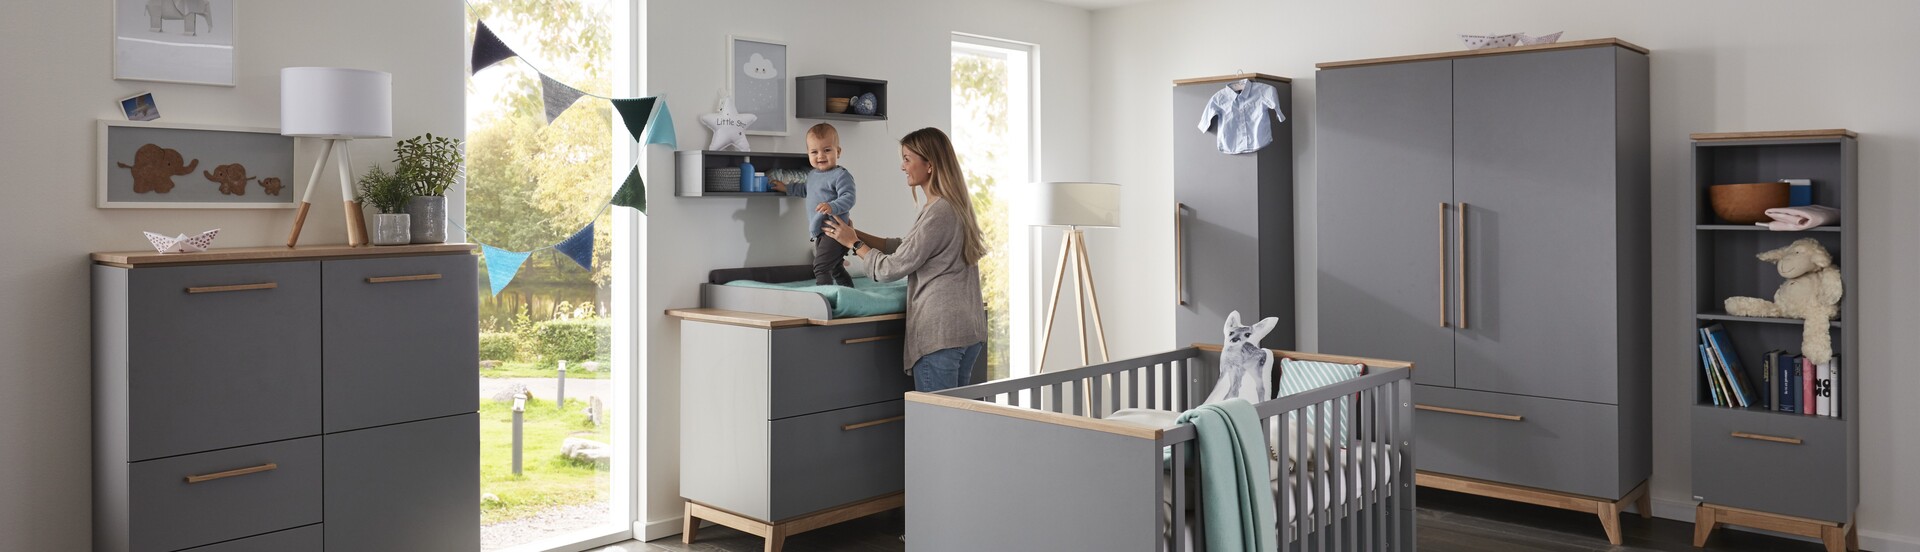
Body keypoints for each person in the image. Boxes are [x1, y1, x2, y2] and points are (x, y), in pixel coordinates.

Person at [821, 127, 988, 392]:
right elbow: (907, 248)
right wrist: (853, 233)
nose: (902, 166)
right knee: (956, 425)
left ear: (929, 164)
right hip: (966, 330)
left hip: (941, 334)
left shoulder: (938, 212)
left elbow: (891, 268)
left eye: (908, 159)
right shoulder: (952, 205)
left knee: (936, 427)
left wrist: (854, 244)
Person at [771, 123, 857, 287]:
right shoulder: (812, 175)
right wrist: (786, 188)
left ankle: (825, 298)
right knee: (836, 268)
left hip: (836, 231)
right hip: (820, 232)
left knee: (820, 267)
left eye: (827, 150)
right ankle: (849, 293)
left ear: (838, 152)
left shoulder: (841, 175)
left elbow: (849, 197)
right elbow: (805, 190)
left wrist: (832, 206)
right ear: (808, 154)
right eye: (814, 152)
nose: (820, 156)